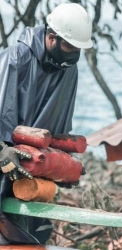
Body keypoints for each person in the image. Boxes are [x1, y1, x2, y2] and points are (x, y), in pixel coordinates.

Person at [0, 3, 93, 245]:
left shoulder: (69, 70)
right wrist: (2, 149)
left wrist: (62, 164)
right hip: (6, 158)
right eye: (69, 46)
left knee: (32, 234)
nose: (73, 54)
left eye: (78, 49)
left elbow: (61, 124)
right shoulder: (16, 58)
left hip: (32, 166)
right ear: (52, 38)